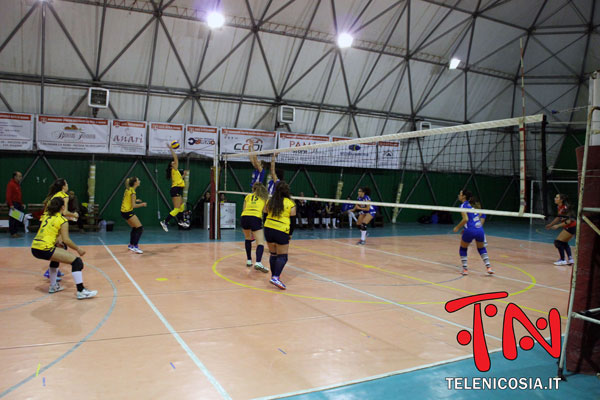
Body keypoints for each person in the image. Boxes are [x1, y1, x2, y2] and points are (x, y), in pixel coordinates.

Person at [31, 197, 97, 299]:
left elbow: (50, 231)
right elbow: (66, 240)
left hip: (35, 248)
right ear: (62, 207)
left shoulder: (47, 216)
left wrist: (57, 242)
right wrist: (78, 249)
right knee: (77, 262)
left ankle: (53, 286)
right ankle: (81, 291)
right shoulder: (62, 221)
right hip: (45, 248)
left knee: (56, 258)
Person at [42, 178, 80, 280]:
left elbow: (58, 213)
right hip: (54, 224)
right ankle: (50, 272)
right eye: (66, 183)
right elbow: (64, 212)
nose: (68, 185)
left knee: (59, 246)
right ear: (63, 186)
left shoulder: (54, 196)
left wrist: (69, 217)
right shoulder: (64, 195)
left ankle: (54, 271)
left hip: (47, 221)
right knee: (60, 246)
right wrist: (74, 215)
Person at [263, 181, 296, 290]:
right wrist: (290, 234)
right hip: (281, 230)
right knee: (283, 256)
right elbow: (293, 221)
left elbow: (264, 215)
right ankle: (276, 277)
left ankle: (274, 276)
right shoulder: (290, 203)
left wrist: (266, 227)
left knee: (273, 254)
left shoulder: (270, 201)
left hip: (268, 228)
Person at [453, 189, 493, 275]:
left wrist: (457, 227)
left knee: (463, 248)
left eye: (460, 194)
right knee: (481, 248)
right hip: (479, 230)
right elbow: (477, 217)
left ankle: (465, 269)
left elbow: (466, 219)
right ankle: (489, 267)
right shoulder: (472, 205)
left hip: (470, 230)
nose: (458, 195)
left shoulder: (463, 205)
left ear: (463, 196)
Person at [160, 143, 189, 232]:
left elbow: (179, 181)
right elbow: (176, 158)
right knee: (177, 208)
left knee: (181, 206)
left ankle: (180, 221)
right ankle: (165, 222)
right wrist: (171, 149)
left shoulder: (175, 172)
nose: (174, 162)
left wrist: (183, 176)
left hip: (177, 189)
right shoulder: (174, 168)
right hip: (175, 189)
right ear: (172, 165)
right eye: (172, 162)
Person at [241, 182, 269, 272]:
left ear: (253, 189)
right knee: (260, 242)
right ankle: (258, 262)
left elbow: (244, 208)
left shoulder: (248, 196)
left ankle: (249, 260)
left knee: (247, 238)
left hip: (244, 217)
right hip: (255, 217)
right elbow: (265, 210)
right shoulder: (264, 198)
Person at [545, 193, 576, 266]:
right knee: (564, 242)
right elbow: (558, 217)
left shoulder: (565, 208)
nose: (555, 199)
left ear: (561, 200)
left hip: (571, 226)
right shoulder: (559, 207)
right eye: (555, 197)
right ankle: (570, 259)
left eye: (557, 197)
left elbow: (569, 221)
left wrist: (558, 226)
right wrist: (551, 224)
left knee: (558, 242)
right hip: (570, 227)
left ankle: (562, 260)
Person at [121, 177, 147, 254]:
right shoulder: (133, 192)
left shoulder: (128, 189)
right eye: (138, 180)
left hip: (123, 212)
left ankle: (131, 245)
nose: (139, 181)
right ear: (135, 183)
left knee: (135, 228)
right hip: (128, 212)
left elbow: (128, 199)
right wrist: (142, 204)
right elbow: (134, 206)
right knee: (140, 228)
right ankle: (135, 246)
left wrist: (136, 200)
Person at [6, 171, 24, 238]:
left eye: (21, 176)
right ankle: (13, 233)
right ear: (15, 177)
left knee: (17, 219)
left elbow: (18, 196)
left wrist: (21, 204)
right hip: (13, 204)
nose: (21, 177)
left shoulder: (17, 184)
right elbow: (8, 195)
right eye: (19, 176)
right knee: (13, 219)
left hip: (18, 204)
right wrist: (11, 205)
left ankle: (15, 232)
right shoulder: (11, 184)